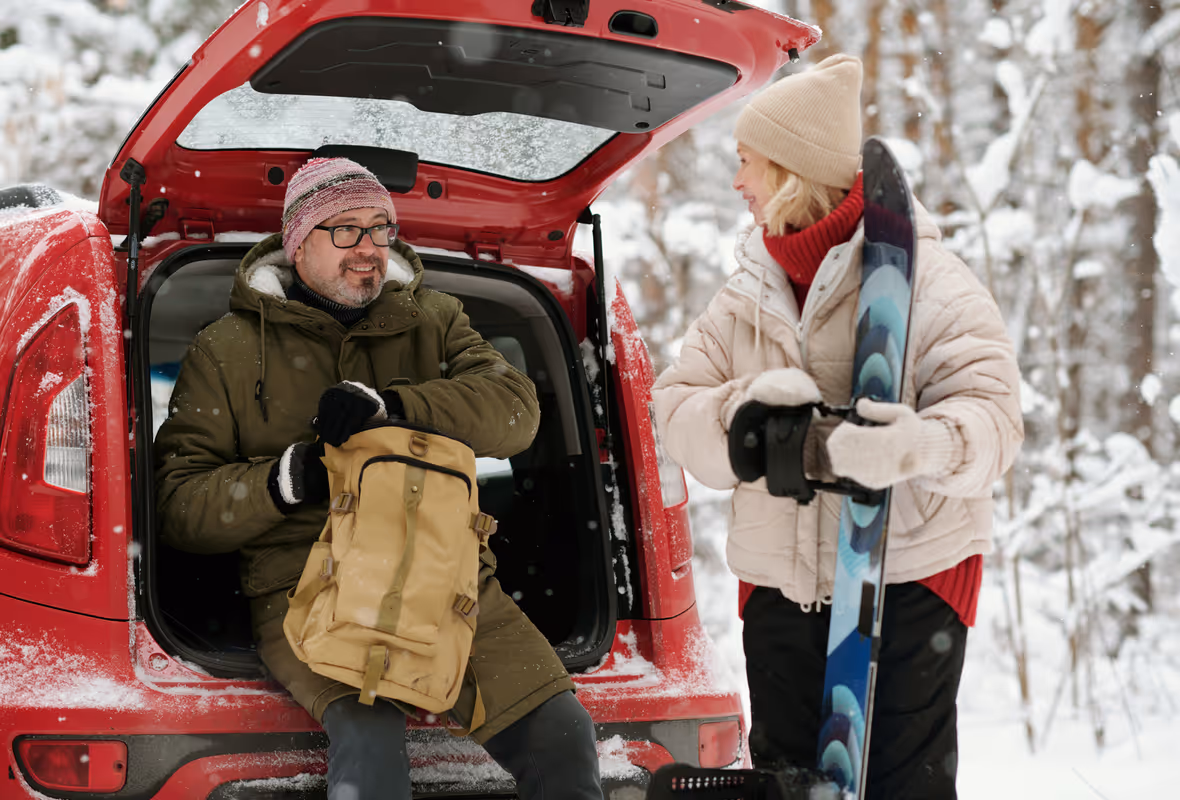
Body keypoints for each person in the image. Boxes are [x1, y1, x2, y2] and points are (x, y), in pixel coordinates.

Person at [155, 157, 603, 800]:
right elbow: (177, 505)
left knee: (561, 734)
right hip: (306, 581)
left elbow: (515, 414)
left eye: (379, 229)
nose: (366, 249)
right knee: (368, 741)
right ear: (298, 241)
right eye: (345, 231)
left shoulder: (434, 318)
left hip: (446, 573)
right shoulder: (225, 350)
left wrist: (394, 406)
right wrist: (286, 480)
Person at [651, 54, 1023, 799]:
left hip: (911, 579)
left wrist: (913, 445)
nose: (736, 183)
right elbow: (675, 404)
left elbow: (994, 421)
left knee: (901, 786)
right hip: (781, 584)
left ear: (792, 171)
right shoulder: (746, 294)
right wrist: (739, 424)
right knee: (788, 782)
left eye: (747, 163)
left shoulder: (936, 285)